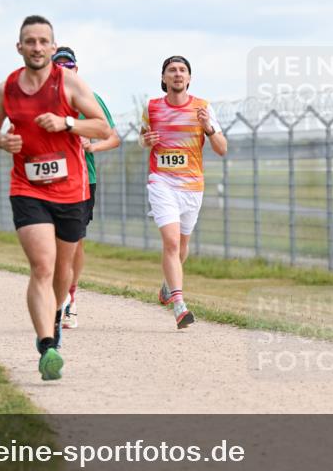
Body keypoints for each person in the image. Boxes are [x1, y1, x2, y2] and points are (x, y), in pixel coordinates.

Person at [0, 15, 113, 381]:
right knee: (42, 265)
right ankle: (47, 346)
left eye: (43, 41)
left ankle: (56, 314)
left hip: (71, 188)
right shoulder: (6, 89)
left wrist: (67, 123)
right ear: (19, 47)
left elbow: (102, 126)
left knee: (63, 270)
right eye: (30, 41)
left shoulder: (69, 83)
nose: (37, 47)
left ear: (52, 48)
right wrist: (1, 140)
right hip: (28, 186)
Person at [141, 55, 227, 328]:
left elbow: (222, 148)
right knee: (171, 242)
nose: (177, 74)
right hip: (161, 182)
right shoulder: (152, 107)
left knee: (182, 245)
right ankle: (179, 304)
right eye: (172, 70)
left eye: (182, 70)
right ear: (164, 78)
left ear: (189, 78)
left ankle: (168, 286)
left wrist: (208, 128)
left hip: (191, 187)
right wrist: (145, 141)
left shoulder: (203, 108)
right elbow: (143, 138)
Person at [49, 46, 120, 329]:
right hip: (50, 179)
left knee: (74, 240)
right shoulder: (42, 100)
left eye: (69, 66)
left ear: (76, 69)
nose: (64, 70)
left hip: (82, 179)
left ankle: (70, 298)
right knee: (49, 241)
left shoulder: (90, 98)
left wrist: (93, 145)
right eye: (59, 65)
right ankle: (54, 298)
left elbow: (113, 137)